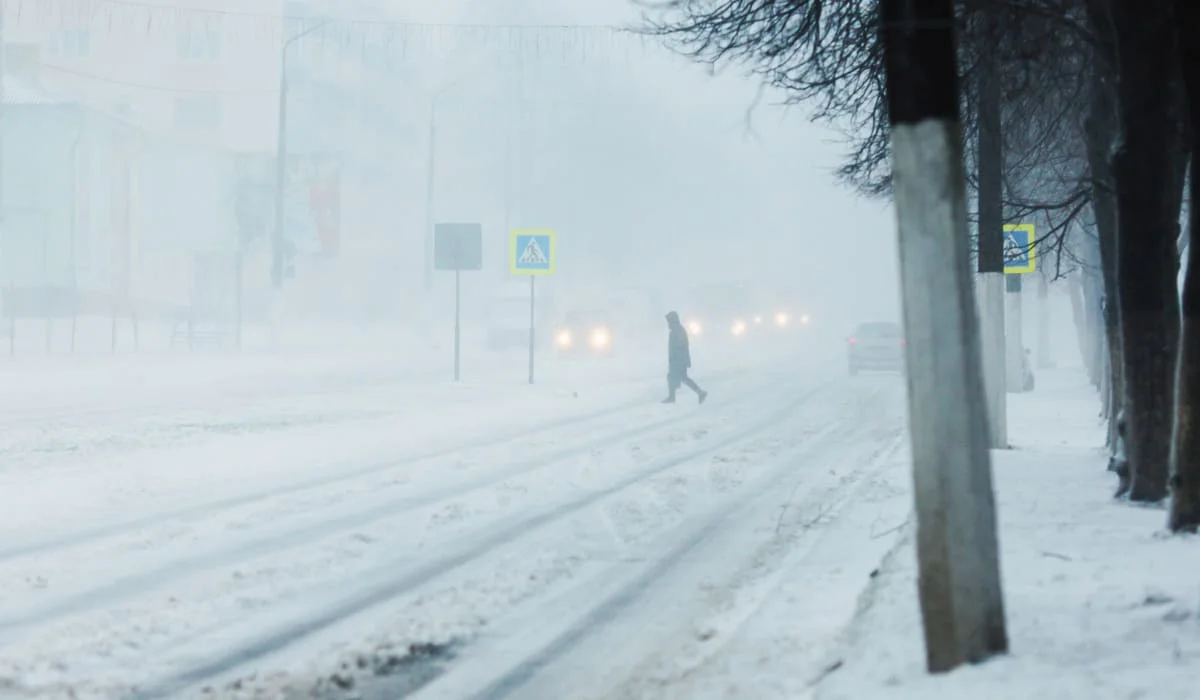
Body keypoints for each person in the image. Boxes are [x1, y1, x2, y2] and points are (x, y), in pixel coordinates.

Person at [663, 310, 708, 404]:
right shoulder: (675, 330)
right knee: (677, 378)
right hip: (676, 361)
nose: (668, 323)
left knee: (680, 378)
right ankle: (673, 397)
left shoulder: (678, 331)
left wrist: (680, 360)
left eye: (669, 321)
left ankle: (700, 393)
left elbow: (681, 347)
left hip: (679, 361)